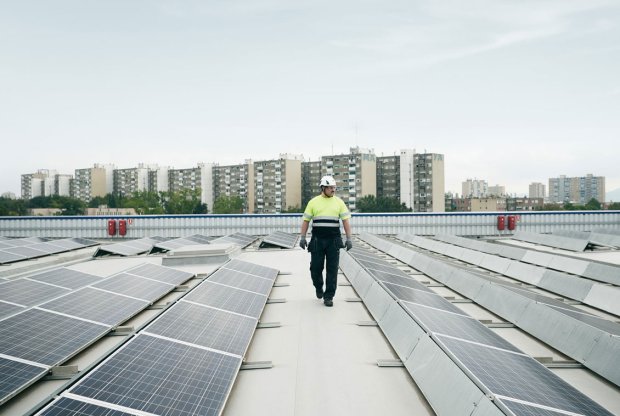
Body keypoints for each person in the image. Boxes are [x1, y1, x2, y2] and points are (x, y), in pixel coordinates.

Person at [299, 175, 352, 307]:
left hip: (333, 240)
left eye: (334, 187)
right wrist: (302, 237)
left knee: (332, 269)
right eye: (330, 187)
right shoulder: (313, 202)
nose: (333, 190)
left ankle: (329, 297)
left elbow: (345, 221)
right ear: (323, 188)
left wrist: (349, 238)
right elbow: (306, 220)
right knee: (315, 268)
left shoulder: (339, 202)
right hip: (318, 240)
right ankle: (318, 286)